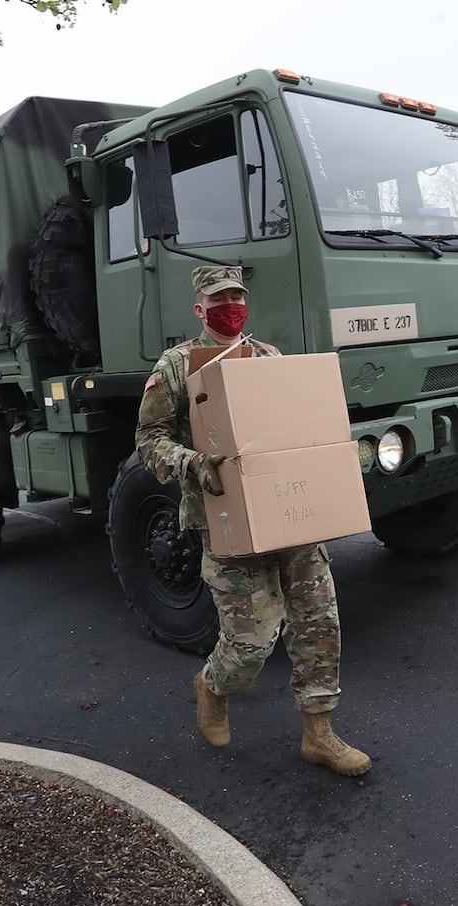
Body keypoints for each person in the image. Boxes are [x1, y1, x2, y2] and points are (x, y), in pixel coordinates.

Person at [135, 265, 371, 777]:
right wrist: (193, 464)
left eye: (237, 296)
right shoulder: (177, 367)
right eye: (219, 298)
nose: (231, 305)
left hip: (288, 511)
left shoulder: (268, 359)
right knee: (252, 640)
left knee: (318, 620)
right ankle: (214, 686)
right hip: (225, 520)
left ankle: (319, 733)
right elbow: (149, 443)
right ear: (199, 307)